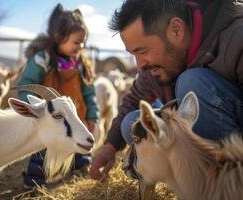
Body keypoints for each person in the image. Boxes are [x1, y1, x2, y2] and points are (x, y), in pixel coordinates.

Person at [90, 0, 243, 181]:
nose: (139, 66)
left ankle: (227, 179)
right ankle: (191, 178)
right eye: (133, 55)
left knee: (192, 83)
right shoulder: (154, 68)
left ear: (176, 30)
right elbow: (132, 102)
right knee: (132, 123)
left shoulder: (236, 35)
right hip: (201, 147)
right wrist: (109, 147)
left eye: (143, 51)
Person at [17, 4, 99, 187]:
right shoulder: (42, 60)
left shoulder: (80, 65)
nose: (81, 46)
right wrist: (34, 110)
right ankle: (33, 185)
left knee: (81, 150)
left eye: (83, 42)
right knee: (42, 154)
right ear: (59, 37)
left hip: (76, 120)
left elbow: (89, 92)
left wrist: (92, 114)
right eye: (77, 42)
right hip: (51, 121)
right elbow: (26, 86)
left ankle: (77, 173)